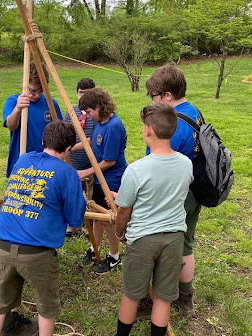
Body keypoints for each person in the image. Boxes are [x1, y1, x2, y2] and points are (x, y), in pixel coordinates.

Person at [0, 120, 87, 336]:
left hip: (1, 246)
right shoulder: (68, 173)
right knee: (47, 308)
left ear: (42, 141)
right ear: (69, 148)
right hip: (36, 253)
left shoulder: (24, 160)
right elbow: (76, 221)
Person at [113, 103, 193, 336]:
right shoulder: (186, 164)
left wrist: (120, 234)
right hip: (174, 238)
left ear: (147, 130)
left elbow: (124, 211)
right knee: (163, 296)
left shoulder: (136, 169)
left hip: (143, 239)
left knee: (132, 294)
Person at [145, 64, 203, 317]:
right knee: (186, 244)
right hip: (194, 189)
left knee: (161, 248)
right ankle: (185, 297)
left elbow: (153, 165)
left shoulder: (171, 123)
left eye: (153, 96)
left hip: (174, 195)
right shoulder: (194, 112)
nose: (153, 101)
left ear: (167, 95)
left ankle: (158, 299)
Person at [74, 87, 127, 275]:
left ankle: (114, 257)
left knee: (108, 220)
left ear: (99, 106)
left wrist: (85, 172)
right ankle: (93, 248)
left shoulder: (113, 127)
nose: (87, 116)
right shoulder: (100, 121)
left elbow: (110, 161)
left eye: (89, 112)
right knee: (95, 213)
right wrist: (71, 148)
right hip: (99, 178)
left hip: (111, 180)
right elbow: (89, 140)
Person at [3, 61, 63, 177]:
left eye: (41, 91)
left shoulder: (50, 103)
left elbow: (59, 130)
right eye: (33, 90)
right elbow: (11, 126)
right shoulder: (13, 101)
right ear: (24, 83)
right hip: (21, 159)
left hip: (45, 162)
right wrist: (18, 109)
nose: (36, 95)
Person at [63, 78, 96, 236]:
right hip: (73, 162)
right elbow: (64, 131)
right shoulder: (71, 111)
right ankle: (72, 224)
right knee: (73, 194)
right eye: (80, 92)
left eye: (87, 93)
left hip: (91, 163)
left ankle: (90, 225)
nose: (83, 96)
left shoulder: (95, 113)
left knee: (91, 197)